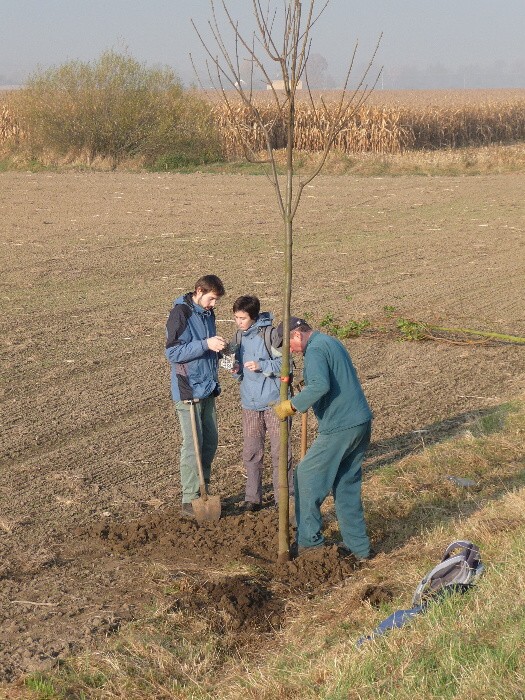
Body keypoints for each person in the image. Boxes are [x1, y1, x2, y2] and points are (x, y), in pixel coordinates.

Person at [273, 317, 373, 560]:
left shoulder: (315, 349)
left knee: (305, 475)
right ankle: (359, 549)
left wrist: (292, 405)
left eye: (288, 346)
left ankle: (310, 546)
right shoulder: (329, 341)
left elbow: (320, 386)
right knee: (346, 485)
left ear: (297, 335)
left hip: (341, 426)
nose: (291, 352)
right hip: (360, 421)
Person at [165, 275, 226, 517]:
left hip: (208, 387)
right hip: (188, 390)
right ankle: (190, 498)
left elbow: (208, 347)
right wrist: (205, 344)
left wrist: (220, 350)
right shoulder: (180, 313)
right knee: (193, 446)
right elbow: (173, 352)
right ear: (199, 291)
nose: (214, 304)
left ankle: (204, 490)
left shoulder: (206, 313)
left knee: (210, 443)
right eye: (211, 298)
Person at [230, 295, 293, 511]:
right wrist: (234, 369)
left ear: (254, 317)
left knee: (280, 452)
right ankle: (252, 498)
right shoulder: (239, 337)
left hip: (275, 403)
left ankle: (283, 497)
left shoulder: (271, 335)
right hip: (250, 404)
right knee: (251, 453)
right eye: (236, 318)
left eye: (242, 318)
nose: (239, 322)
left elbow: (287, 365)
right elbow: (238, 370)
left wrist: (261, 365)